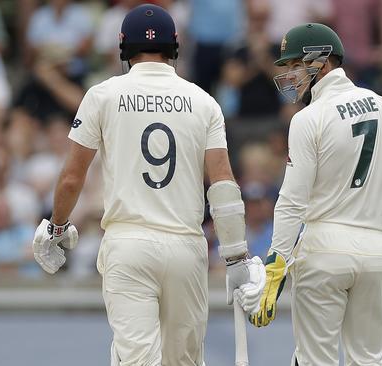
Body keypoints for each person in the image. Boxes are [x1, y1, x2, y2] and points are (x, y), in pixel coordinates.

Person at [30, 5, 265, 365]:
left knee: (136, 360)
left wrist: (56, 226)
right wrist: (236, 256)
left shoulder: (103, 95)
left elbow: (72, 177)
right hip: (186, 247)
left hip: (129, 244)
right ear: (174, 47)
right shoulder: (204, 102)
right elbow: (223, 183)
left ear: (124, 48)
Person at [244, 23, 382, 365]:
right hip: (376, 249)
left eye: (294, 65)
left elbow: (292, 201)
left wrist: (277, 260)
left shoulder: (308, 119)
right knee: (370, 360)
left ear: (323, 62)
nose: (289, 76)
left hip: (323, 249)